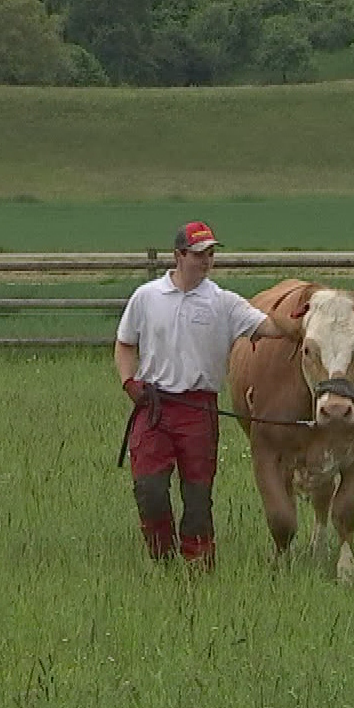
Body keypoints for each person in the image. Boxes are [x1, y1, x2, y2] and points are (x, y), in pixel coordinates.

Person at [115, 221, 287, 569]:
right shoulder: (146, 297)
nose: (206, 261)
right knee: (149, 490)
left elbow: (267, 326)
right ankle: (163, 559)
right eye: (198, 254)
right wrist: (130, 383)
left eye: (210, 254)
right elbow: (124, 344)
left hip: (198, 410)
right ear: (179, 255)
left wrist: (298, 321)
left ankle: (198, 565)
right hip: (154, 406)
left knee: (197, 496)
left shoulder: (222, 303)